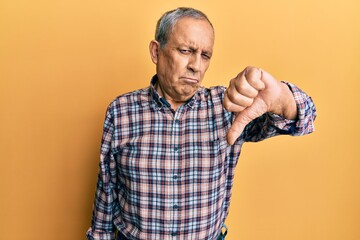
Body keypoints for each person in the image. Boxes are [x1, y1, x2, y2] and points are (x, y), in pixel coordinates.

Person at [86, 7, 316, 240]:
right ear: (156, 52)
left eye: (205, 55)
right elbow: (106, 191)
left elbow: (305, 120)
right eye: (186, 50)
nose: (196, 65)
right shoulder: (121, 110)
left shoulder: (228, 107)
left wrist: (281, 99)